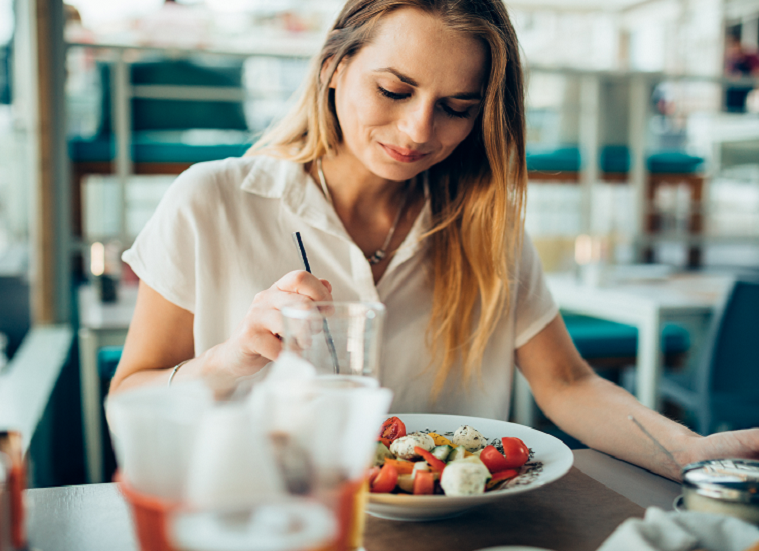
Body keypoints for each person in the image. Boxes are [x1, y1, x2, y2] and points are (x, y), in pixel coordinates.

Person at [109, 0, 759, 480]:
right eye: (393, 89)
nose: (419, 129)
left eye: (457, 106)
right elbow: (127, 398)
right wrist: (232, 358)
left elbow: (567, 383)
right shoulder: (211, 199)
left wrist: (693, 453)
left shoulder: (487, 226)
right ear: (334, 67)